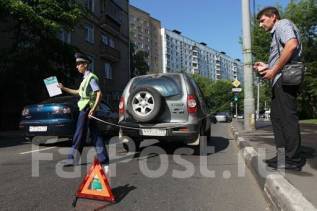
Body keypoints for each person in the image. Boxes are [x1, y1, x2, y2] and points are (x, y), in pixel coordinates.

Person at [253, 7, 305, 171]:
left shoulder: (283, 24)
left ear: (273, 16)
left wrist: (273, 70)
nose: (261, 25)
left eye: (262, 20)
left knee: (287, 119)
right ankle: (283, 157)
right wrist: (267, 66)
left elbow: (291, 45)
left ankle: (293, 160)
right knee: (277, 118)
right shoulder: (276, 32)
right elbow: (283, 54)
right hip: (278, 79)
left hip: (285, 79)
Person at [58, 52, 109, 168]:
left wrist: (93, 109)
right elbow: (78, 92)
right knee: (96, 134)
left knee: (79, 134)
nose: (76, 66)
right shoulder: (85, 79)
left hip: (86, 109)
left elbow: (99, 94)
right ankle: (103, 159)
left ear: (85, 65)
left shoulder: (91, 78)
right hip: (87, 108)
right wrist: (63, 88)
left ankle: (72, 159)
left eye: (78, 64)